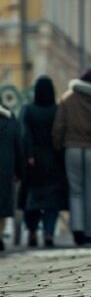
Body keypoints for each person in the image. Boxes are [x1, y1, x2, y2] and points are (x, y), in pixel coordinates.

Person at [52, 68, 91, 246]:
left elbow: (59, 126)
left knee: (76, 192)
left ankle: (77, 231)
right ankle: (90, 233)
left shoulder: (68, 98)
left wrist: (59, 146)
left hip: (72, 149)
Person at [20, 76, 64, 248]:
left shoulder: (28, 110)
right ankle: (48, 233)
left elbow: (25, 135)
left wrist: (29, 155)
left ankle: (31, 231)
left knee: (31, 199)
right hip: (54, 161)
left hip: (33, 163)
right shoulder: (57, 110)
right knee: (51, 202)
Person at [0, 102, 23, 253]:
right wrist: (19, 171)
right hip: (5, 168)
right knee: (1, 204)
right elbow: (18, 145)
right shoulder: (9, 119)